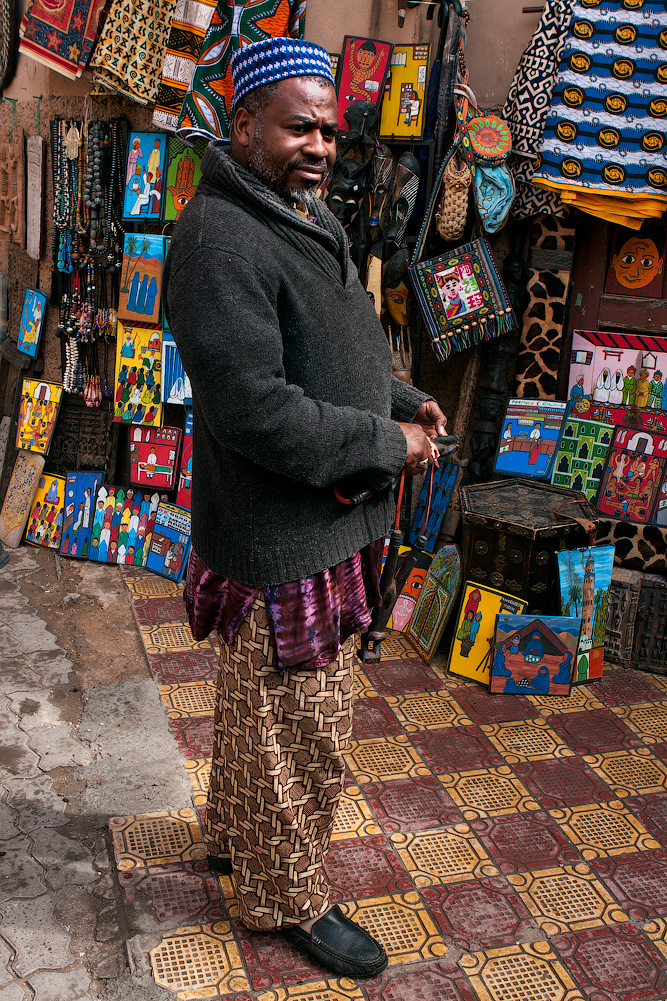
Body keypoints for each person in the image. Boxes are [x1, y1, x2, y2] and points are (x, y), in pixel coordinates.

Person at [162, 37, 445, 980]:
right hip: (282, 535)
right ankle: (286, 896)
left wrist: (403, 401)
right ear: (243, 123)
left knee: (264, 713)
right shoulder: (219, 238)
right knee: (300, 729)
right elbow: (254, 408)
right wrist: (385, 444)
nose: (319, 145)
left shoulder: (295, 211)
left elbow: (330, 348)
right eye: (297, 128)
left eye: (327, 129)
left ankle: (237, 840)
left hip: (318, 522)